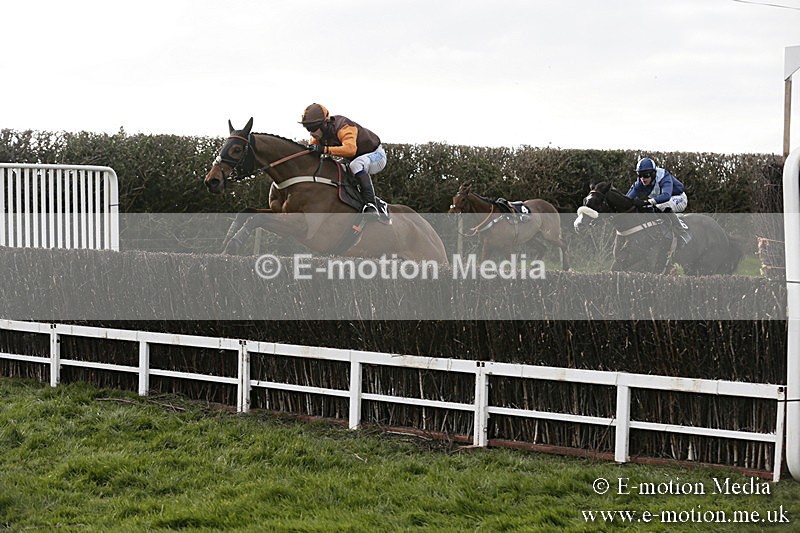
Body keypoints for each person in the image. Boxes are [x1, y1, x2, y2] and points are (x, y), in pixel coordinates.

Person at [299, 103, 387, 219]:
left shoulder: (343, 126)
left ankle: (371, 205)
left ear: (325, 123)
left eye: (313, 128)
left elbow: (351, 150)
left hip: (376, 155)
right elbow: (312, 156)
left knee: (356, 165)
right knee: (332, 168)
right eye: (308, 129)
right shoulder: (318, 137)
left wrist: (324, 149)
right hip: (352, 160)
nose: (311, 133)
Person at [626, 156, 691, 246]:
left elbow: (666, 196)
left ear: (653, 174)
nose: (642, 178)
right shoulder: (639, 183)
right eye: (640, 175)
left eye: (646, 175)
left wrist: (646, 202)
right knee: (649, 209)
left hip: (679, 198)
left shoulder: (663, 176)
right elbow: (627, 199)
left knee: (660, 206)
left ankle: (683, 233)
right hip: (662, 201)